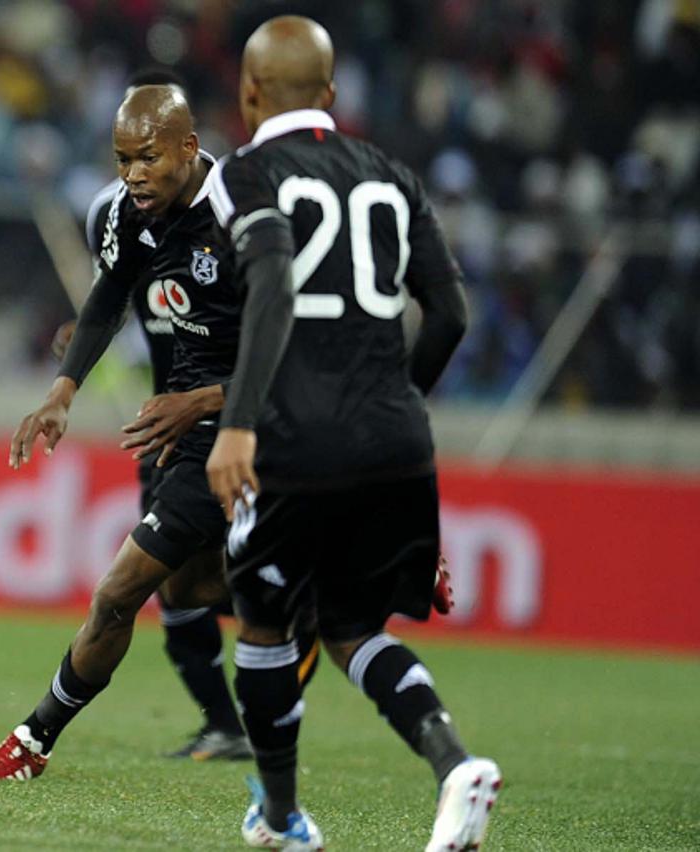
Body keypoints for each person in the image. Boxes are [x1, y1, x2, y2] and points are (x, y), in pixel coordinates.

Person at [202, 16, 498, 852]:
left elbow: (270, 285)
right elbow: (450, 314)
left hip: (292, 441)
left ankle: (284, 818)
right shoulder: (393, 176)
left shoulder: (245, 173)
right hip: (394, 440)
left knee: (262, 629)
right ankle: (454, 766)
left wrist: (241, 423)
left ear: (249, 92)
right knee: (353, 630)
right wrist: (392, 407)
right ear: (331, 95)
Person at [0, 82, 313, 781]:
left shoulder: (247, 215)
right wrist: (61, 393)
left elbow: (302, 356)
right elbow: (105, 299)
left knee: (124, 592)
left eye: (147, 158)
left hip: (254, 429)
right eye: (122, 158)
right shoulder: (132, 211)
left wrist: (202, 400)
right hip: (190, 430)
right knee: (175, 595)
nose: (132, 175)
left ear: (189, 148)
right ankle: (312, 601)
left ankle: (33, 740)